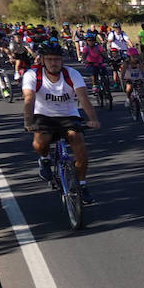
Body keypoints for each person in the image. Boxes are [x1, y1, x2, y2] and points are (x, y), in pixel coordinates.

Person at [22, 39, 100, 203]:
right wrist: (28, 123)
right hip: (43, 115)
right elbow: (29, 99)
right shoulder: (32, 75)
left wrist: (93, 119)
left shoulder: (72, 74)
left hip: (68, 115)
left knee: (78, 141)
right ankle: (44, 159)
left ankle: (82, 184)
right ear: (42, 60)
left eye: (57, 59)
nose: (53, 63)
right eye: (49, 59)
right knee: (40, 143)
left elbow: (83, 98)